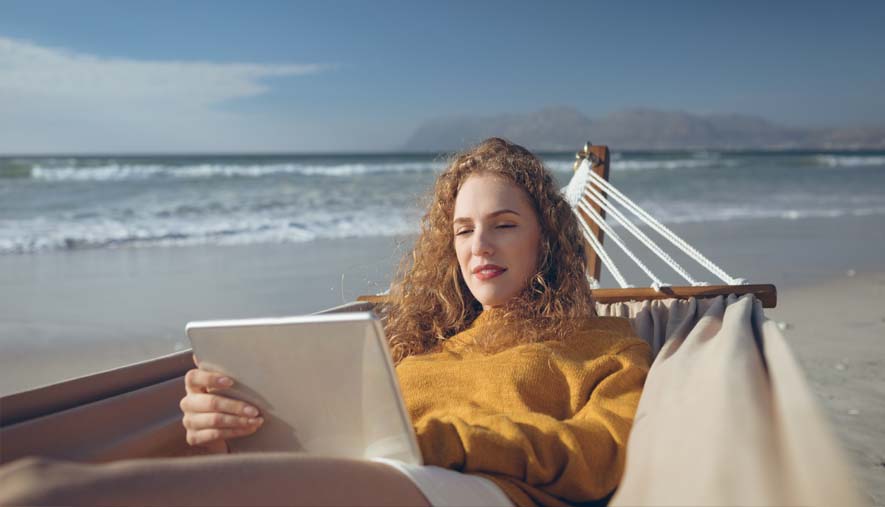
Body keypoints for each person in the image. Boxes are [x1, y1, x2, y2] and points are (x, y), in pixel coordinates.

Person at [0, 138, 650, 507]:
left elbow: (597, 460)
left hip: (479, 496)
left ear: (547, 239)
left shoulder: (603, 344)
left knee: (43, 492)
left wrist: (444, 439)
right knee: (28, 481)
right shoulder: (413, 348)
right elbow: (323, 444)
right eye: (462, 229)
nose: (479, 245)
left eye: (504, 225)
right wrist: (223, 431)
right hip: (369, 480)